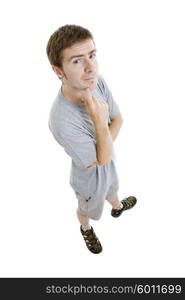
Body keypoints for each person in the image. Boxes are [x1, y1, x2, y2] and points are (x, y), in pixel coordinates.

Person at [46, 24, 137, 254]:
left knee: (113, 189)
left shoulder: (97, 81)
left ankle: (117, 207)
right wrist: (99, 123)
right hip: (87, 180)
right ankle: (85, 229)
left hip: (109, 166)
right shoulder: (61, 121)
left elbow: (118, 120)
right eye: (77, 61)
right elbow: (99, 158)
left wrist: (104, 145)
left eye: (92, 55)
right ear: (59, 71)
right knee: (86, 209)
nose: (90, 68)